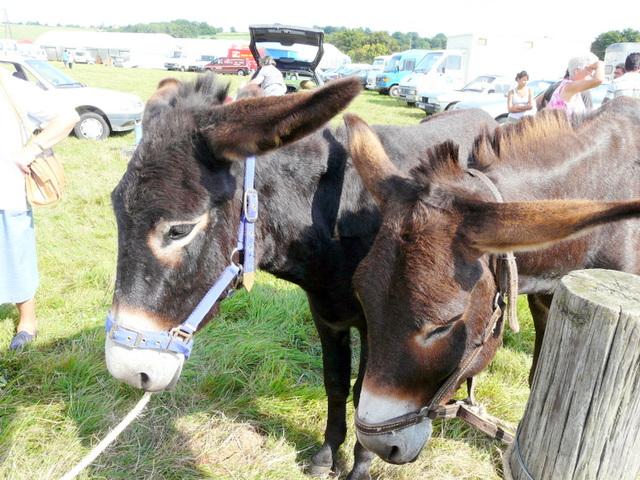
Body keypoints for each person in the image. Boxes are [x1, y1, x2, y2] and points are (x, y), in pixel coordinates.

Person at [0, 70, 79, 350]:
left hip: (6, 193)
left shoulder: (10, 86)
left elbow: (68, 116)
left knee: (14, 256)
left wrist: (33, 148)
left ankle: (27, 322)